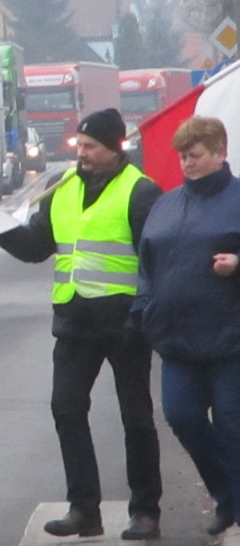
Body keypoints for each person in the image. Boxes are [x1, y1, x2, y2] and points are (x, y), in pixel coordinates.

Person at [0, 108, 162, 541]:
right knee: (67, 411)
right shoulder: (63, 189)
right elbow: (36, 247)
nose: (81, 154)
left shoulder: (141, 192)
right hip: (73, 320)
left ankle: (145, 511)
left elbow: (156, 262)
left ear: (115, 148)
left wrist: (144, 314)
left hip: (125, 324)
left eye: (90, 147)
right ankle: (84, 509)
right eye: (79, 146)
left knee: (136, 418)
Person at [133, 116, 240, 537]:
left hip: (230, 341)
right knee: (182, 417)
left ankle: (232, 502)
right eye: (182, 157)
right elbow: (147, 264)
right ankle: (227, 495)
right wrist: (143, 309)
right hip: (176, 341)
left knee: (233, 424)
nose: (187, 164)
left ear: (220, 152)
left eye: (194, 156)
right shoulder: (166, 204)